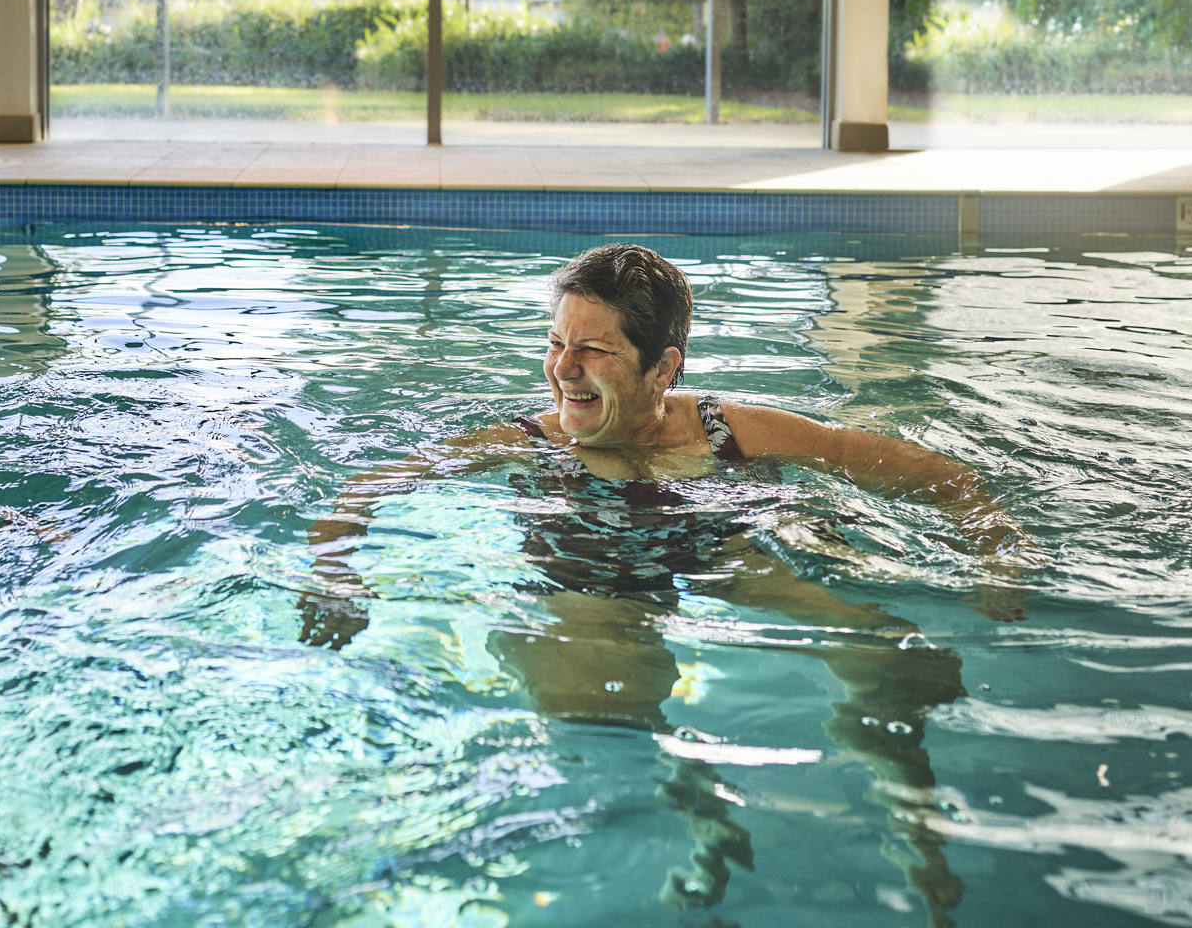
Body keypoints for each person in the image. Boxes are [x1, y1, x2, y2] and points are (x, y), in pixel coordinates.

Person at [300, 243, 1032, 916]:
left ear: (664, 367)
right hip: (590, 580)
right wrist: (334, 571)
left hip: (721, 551)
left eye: (592, 350)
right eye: (556, 344)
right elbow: (368, 487)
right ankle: (694, 806)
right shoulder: (529, 442)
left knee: (890, 650)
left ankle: (919, 831)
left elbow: (932, 474)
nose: (561, 369)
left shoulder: (726, 431)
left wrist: (998, 550)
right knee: (597, 692)